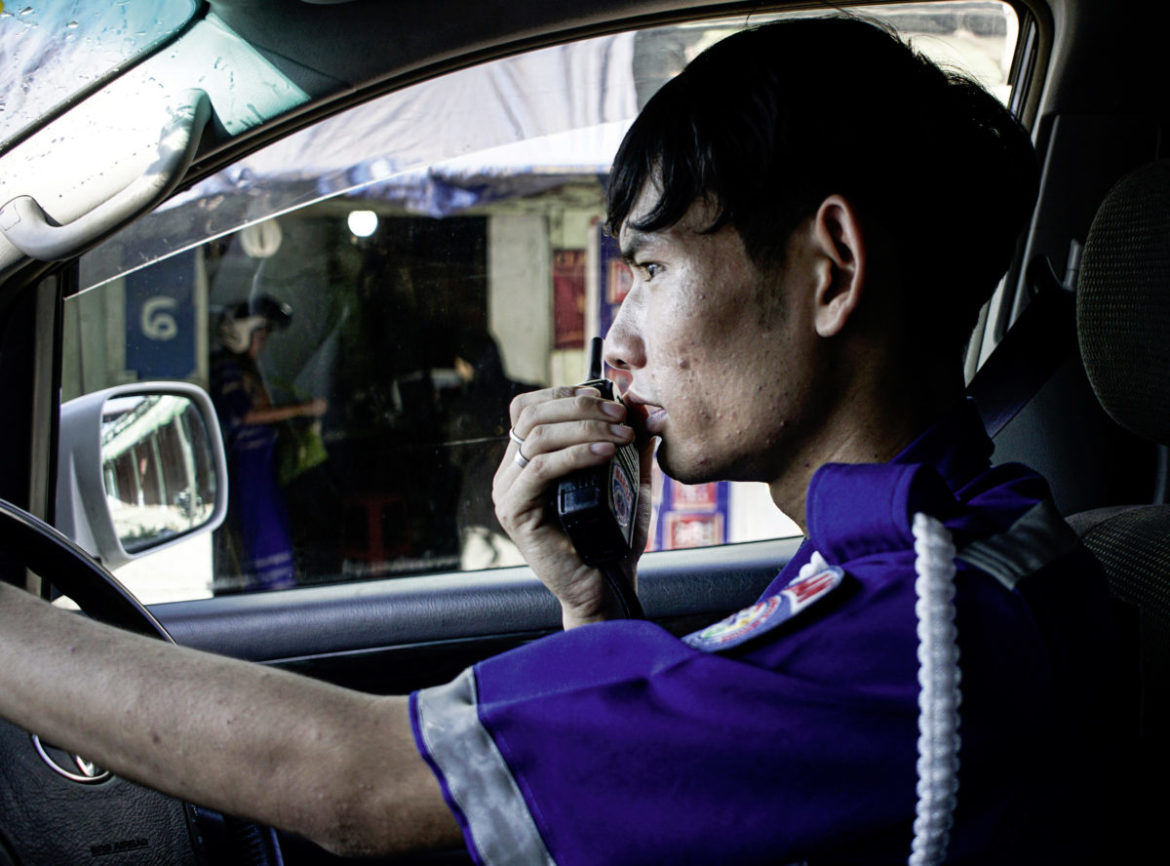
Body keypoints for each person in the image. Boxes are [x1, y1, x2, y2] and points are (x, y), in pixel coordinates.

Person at [0, 16, 1116, 865]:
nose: (614, 344)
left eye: (651, 270)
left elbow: (348, 779)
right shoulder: (954, 544)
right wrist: (598, 597)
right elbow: (681, 795)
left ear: (830, 269)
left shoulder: (920, 629)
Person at [210, 295, 328, 591]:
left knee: (275, 530)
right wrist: (302, 409)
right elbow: (247, 414)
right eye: (259, 337)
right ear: (240, 335)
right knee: (266, 535)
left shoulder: (245, 371)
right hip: (249, 470)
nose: (262, 345)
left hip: (263, 466)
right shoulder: (226, 370)